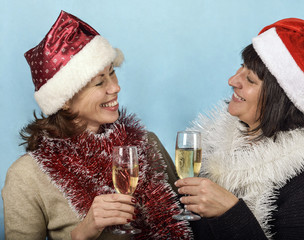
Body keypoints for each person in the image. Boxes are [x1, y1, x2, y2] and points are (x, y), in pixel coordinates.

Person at [2, 11, 192, 240]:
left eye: (112, 73)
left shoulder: (146, 143)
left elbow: (189, 218)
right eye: (100, 82)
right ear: (64, 101)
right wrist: (82, 233)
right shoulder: (26, 176)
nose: (115, 88)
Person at [175, 18, 304, 239]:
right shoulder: (211, 144)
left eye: (250, 79)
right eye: (241, 67)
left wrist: (230, 212)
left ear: (279, 99)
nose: (232, 80)